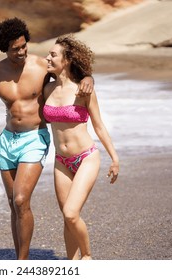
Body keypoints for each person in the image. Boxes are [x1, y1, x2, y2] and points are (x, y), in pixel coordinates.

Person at [0, 18, 94, 260]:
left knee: (21, 198)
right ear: (4, 47)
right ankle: (20, 260)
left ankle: (22, 264)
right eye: (16, 48)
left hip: (35, 137)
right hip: (7, 142)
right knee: (14, 204)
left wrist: (89, 78)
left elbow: (74, 73)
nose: (22, 51)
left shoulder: (40, 66)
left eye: (24, 45)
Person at [43, 34, 119, 260]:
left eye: (53, 55)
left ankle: (87, 257)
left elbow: (99, 126)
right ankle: (72, 264)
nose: (47, 58)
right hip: (60, 161)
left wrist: (114, 158)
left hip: (86, 157)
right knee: (67, 219)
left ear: (67, 60)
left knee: (71, 212)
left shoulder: (83, 90)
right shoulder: (47, 89)